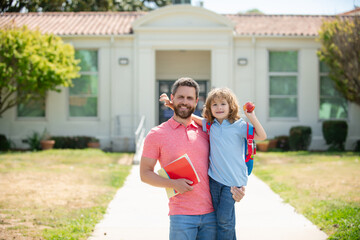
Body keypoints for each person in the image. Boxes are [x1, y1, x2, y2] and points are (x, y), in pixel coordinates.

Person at [140, 78, 245, 240]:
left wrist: (237, 188)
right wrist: (173, 184)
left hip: (212, 214)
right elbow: (145, 174)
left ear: (196, 102)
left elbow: (230, 159)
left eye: (189, 98)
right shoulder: (157, 134)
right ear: (172, 98)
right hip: (181, 216)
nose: (184, 102)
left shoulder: (209, 131)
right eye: (180, 97)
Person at [160, 87, 267, 240]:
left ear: (231, 106)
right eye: (214, 105)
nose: (219, 108)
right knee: (218, 219)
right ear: (209, 108)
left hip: (232, 182)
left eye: (223, 104)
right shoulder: (211, 125)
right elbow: (192, 118)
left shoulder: (239, 126)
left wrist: (251, 116)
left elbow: (262, 136)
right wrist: (172, 106)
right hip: (214, 180)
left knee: (225, 221)